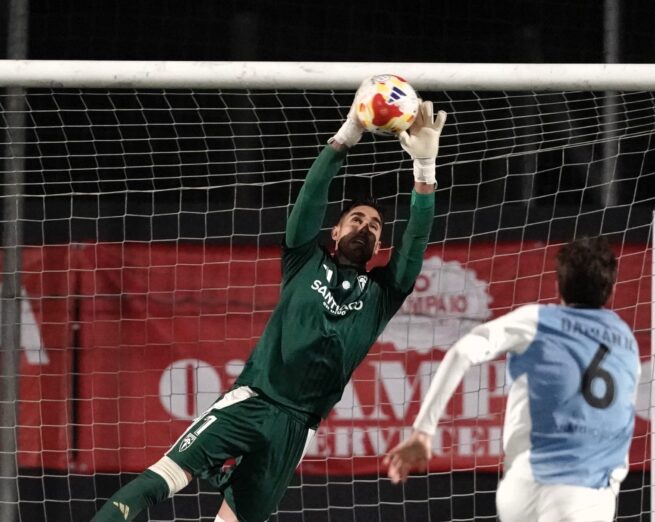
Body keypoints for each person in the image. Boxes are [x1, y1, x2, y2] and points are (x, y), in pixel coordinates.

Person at [93, 87, 446, 521]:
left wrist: (424, 168)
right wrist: (348, 133)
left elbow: (415, 240)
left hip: (297, 429)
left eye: (374, 227)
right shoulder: (303, 259)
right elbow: (311, 198)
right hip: (253, 401)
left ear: (378, 247)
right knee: (162, 478)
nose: (366, 227)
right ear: (334, 233)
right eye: (356, 219)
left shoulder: (381, 294)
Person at [383, 237, 640, 522]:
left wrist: (423, 431)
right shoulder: (626, 340)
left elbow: (461, 352)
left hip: (520, 487)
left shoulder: (537, 319)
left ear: (558, 285)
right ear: (611, 289)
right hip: (584, 493)